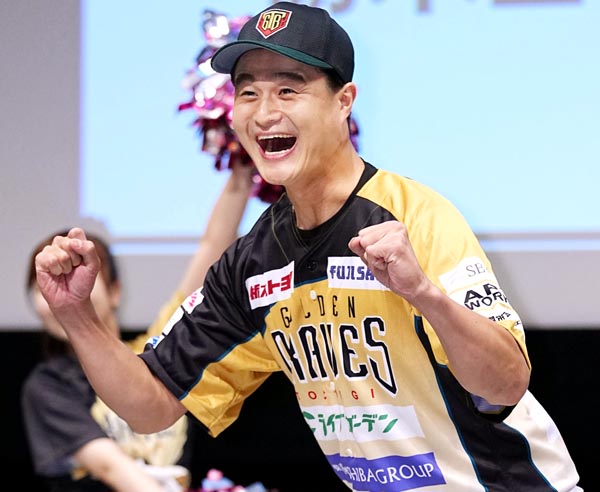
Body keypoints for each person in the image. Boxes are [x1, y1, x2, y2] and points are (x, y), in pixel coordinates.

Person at [34, 3, 582, 491]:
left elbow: (506, 383)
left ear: (344, 102)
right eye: (247, 92)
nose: (263, 112)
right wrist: (77, 315)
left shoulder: (414, 216)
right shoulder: (252, 263)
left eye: (288, 90)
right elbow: (150, 407)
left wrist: (423, 293)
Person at [22, 162, 254, 492]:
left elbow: (213, 245)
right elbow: (111, 468)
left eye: (75, 274)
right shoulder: (49, 385)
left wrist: (240, 170)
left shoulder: (155, 350)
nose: (63, 289)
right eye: (43, 287)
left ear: (114, 291)